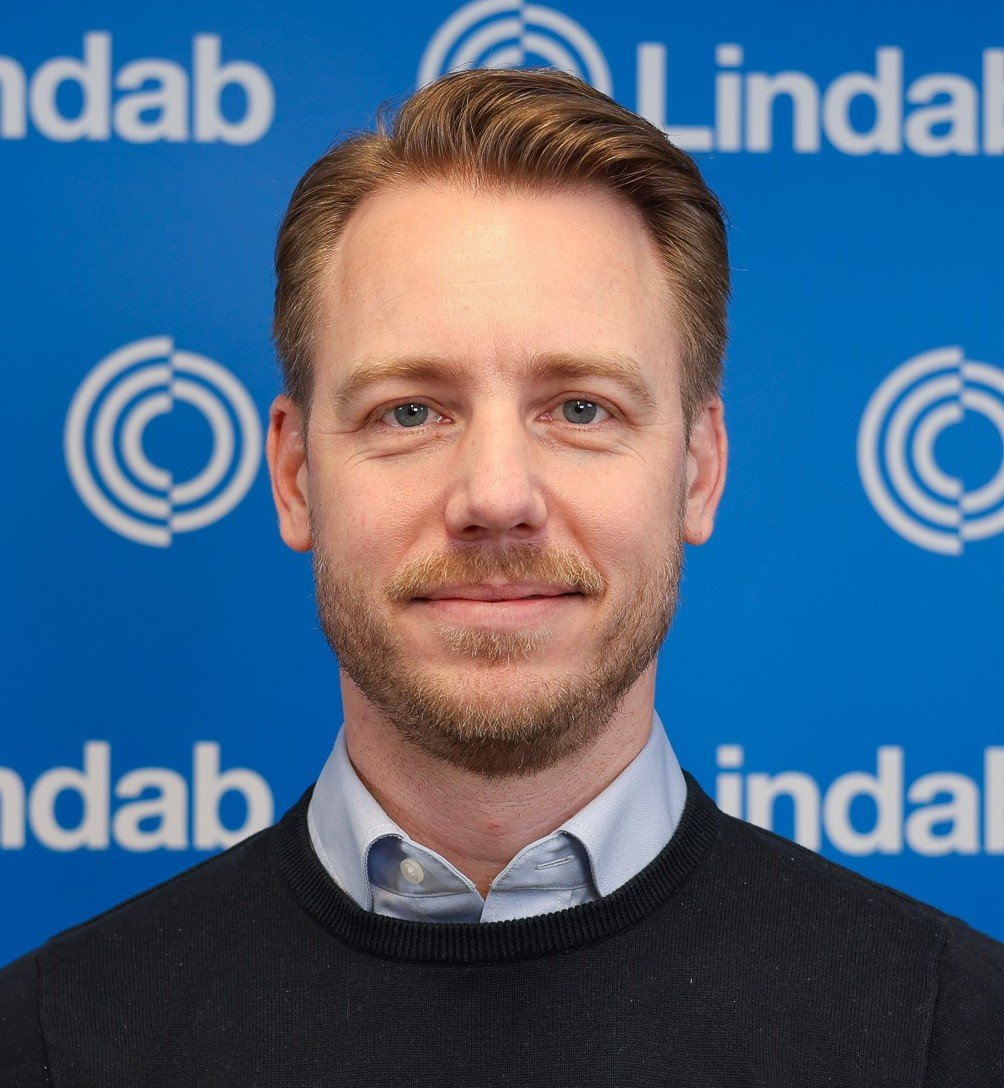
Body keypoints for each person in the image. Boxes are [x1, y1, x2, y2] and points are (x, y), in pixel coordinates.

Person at [1, 67, 1001, 1086]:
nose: (494, 495)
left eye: (580, 408)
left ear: (697, 470)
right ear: (295, 476)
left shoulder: (949, 1033)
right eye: (408, 411)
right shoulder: (51, 1043)